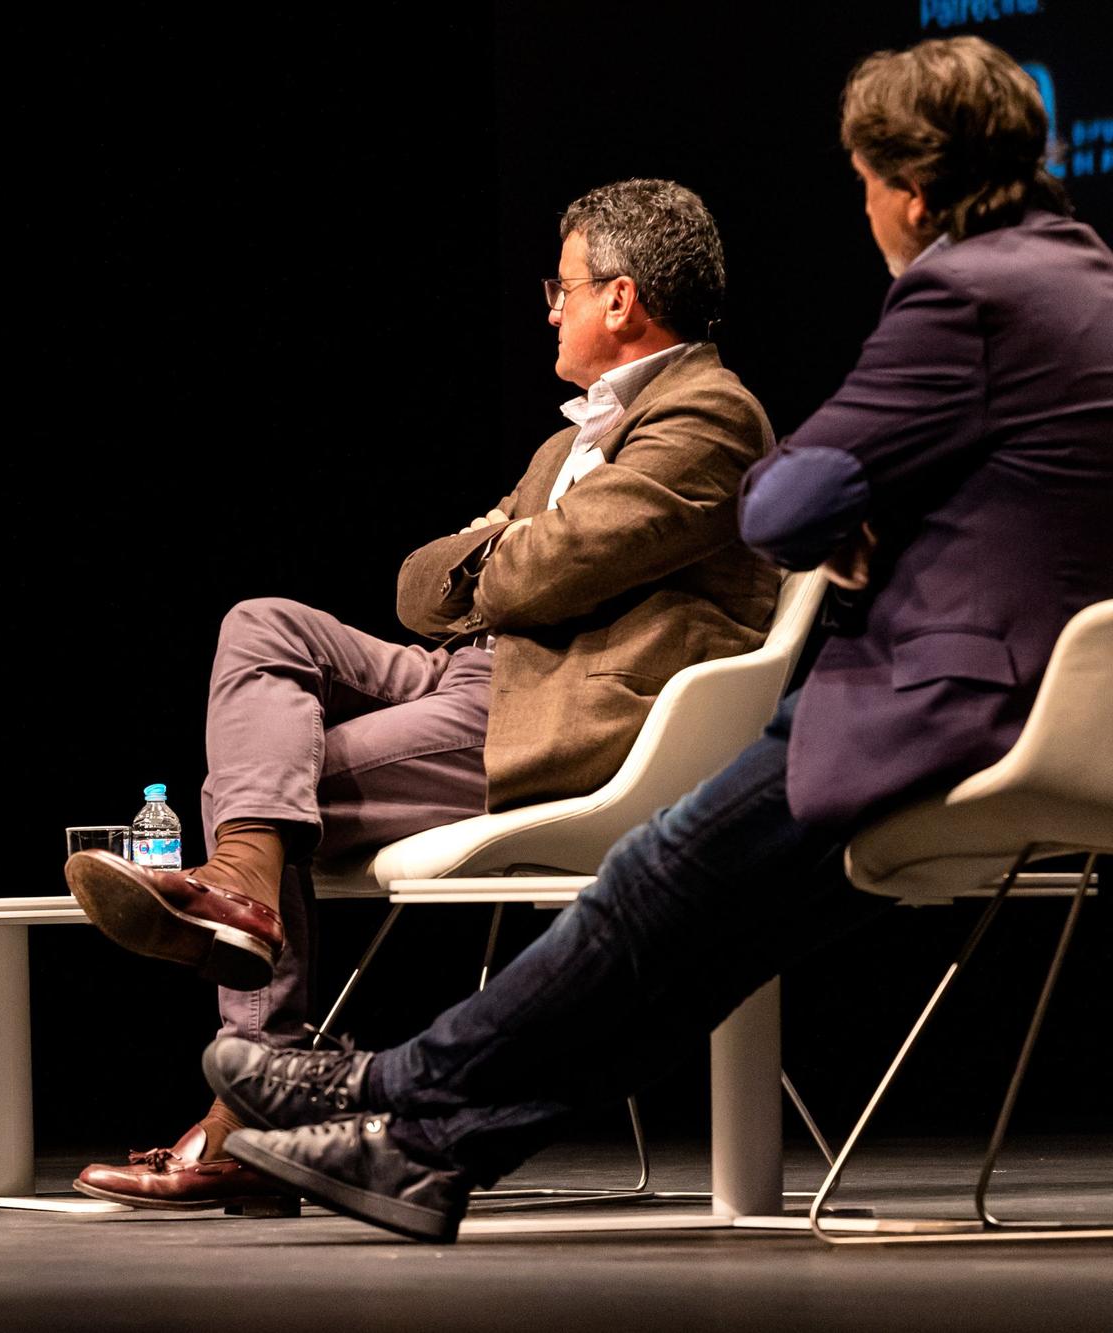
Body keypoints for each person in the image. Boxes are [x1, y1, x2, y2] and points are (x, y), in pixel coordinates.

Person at [205, 34, 1113, 1243]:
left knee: (652, 894)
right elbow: (444, 581)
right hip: (1044, 695)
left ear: (905, 188)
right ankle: (429, 1148)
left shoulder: (961, 292)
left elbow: (780, 507)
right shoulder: (1086, 269)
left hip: (946, 697)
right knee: (695, 948)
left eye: (859, 186)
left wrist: (860, 510)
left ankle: (388, 1086)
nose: (865, 215)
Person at [64, 180, 783, 1210]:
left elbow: (551, 567)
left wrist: (496, 547)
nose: (548, 306)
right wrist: (503, 553)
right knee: (261, 623)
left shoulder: (708, 414)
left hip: (555, 708)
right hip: (481, 670)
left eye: (562, 286)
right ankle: (245, 896)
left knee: (263, 787)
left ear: (620, 300)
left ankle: (245, 1084)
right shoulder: (563, 443)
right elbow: (415, 585)